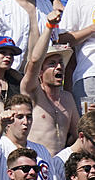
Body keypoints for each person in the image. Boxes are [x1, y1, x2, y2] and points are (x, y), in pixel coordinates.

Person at [20, 12, 77, 155]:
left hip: (59, 166)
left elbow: (77, 135)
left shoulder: (67, 99)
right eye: (52, 64)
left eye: (60, 63)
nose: (59, 67)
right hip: (35, 163)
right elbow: (34, 61)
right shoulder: (33, 93)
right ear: (40, 72)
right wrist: (49, 27)